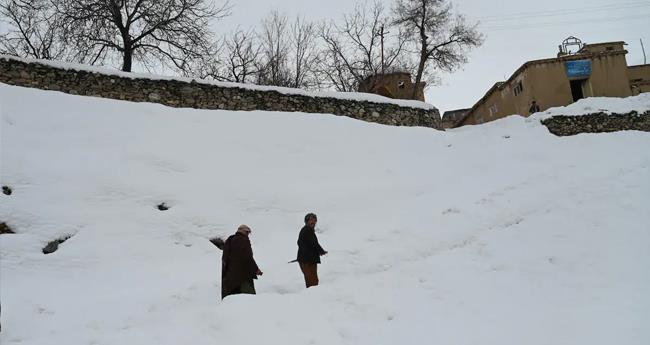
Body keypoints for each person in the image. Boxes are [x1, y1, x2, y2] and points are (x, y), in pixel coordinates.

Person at [221, 225, 262, 299]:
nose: (248, 235)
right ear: (244, 231)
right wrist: (256, 269)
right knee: (248, 299)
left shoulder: (230, 240)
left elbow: (225, 259)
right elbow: (248, 258)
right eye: (248, 232)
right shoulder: (243, 240)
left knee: (232, 299)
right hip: (243, 277)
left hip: (229, 278)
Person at [296, 213, 327, 288]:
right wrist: (321, 251)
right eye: (311, 220)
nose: (313, 222)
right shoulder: (307, 230)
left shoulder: (306, 230)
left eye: (314, 220)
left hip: (305, 260)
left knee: (310, 282)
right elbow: (314, 243)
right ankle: (313, 298)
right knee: (313, 283)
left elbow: (300, 242)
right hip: (308, 261)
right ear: (306, 221)